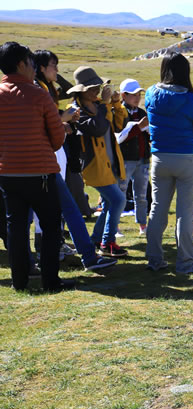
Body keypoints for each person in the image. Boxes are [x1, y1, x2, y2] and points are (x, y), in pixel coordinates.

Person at [32, 50, 116, 271]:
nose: (57, 70)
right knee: (63, 208)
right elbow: (98, 128)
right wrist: (63, 118)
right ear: (41, 67)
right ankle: (82, 253)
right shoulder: (38, 90)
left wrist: (64, 122)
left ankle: (58, 252)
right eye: (53, 65)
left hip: (57, 155)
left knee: (59, 208)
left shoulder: (46, 89)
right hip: (53, 157)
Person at [0, 41, 73, 291]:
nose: (33, 68)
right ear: (21, 64)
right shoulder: (38, 95)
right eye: (31, 63)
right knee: (51, 227)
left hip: (7, 173)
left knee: (16, 228)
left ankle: (19, 282)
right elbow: (56, 138)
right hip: (40, 172)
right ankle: (51, 282)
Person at [144, 51, 193, 274]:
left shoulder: (151, 93)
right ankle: (185, 263)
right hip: (186, 158)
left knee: (157, 209)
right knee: (185, 213)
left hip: (159, 157)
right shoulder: (190, 99)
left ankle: (154, 259)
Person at [68, 66, 129, 258]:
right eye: (92, 88)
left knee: (111, 202)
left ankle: (96, 239)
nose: (96, 90)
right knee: (118, 199)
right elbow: (98, 127)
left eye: (97, 87)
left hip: (110, 162)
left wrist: (116, 104)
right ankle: (108, 242)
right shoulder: (77, 111)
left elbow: (120, 124)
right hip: (94, 167)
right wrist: (105, 105)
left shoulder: (100, 106)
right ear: (81, 91)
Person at [118, 78, 151, 236]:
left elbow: (148, 135)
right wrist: (140, 127)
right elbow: (119, 137)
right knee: (120, 193)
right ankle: (114, 226)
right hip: (125, 159)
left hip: (142, 159)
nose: (137, 98)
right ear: (123, 96)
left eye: (139, 94)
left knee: (141, 195)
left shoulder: (142, 113)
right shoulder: (119, 113)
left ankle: (142, 226)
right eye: (133, 95)